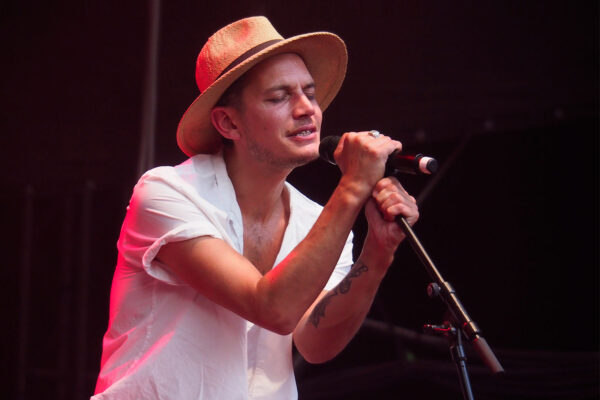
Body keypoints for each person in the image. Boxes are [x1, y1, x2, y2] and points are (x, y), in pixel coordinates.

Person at [92, 16, 419, 399]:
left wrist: (378, 254)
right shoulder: (168, 192)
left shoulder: (317, 221)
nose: (306, 109)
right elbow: (272, 308)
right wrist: (352, 187)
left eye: (310, 93)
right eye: (280, 97)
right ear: (229, 123)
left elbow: (316, 344)